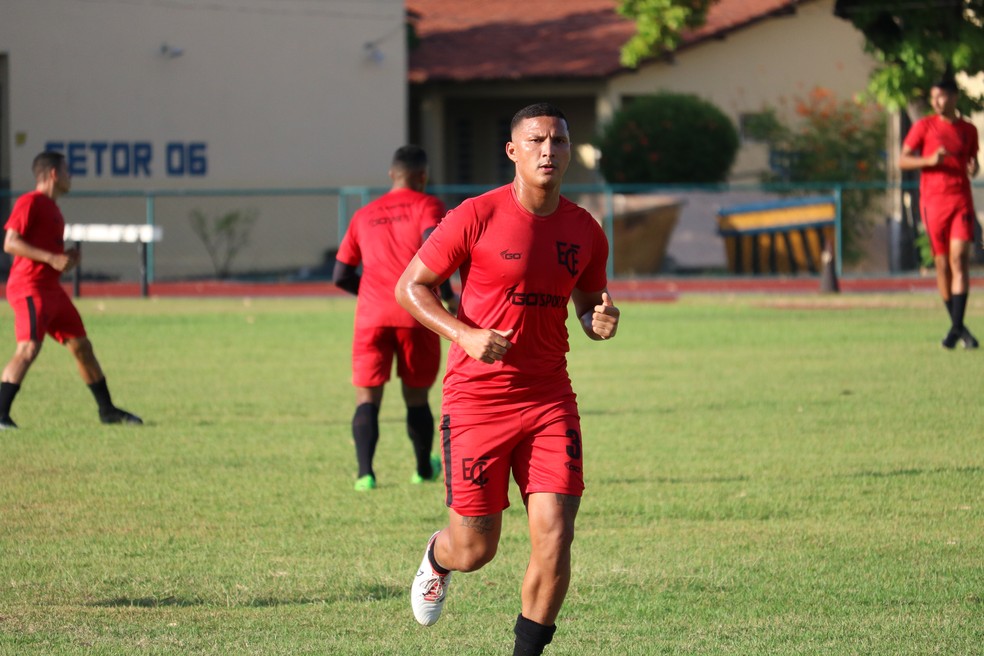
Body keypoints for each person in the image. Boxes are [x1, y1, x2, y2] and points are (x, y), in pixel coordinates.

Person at [396, 103, 619, 656]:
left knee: (556, 534)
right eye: (538, 140)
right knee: (475, 549)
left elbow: (590, 301)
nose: (550, 150)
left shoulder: (585, 228)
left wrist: (599, 319)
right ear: (513, 150)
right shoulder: (476, 214)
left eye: (560, 141)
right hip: (477, 400)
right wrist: (464, 335)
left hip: (549, 399)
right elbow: (412, 286)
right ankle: (438, 556)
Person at [333, 145, 456, 491]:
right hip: (415, 314)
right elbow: (436, 251)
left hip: (371, 317)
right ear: (423, 176)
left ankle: (365, 475)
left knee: (367, 398)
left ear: (391, 175)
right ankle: (421, 468)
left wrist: (373, 293)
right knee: (416, 397)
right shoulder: (427, 205)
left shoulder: (363, 214)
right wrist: (447, 296)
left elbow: (340, 274)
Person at [0, 151, 142, 428]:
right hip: (29, 287)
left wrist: (64, 259)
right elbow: (10, 243)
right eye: (67, 171)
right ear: (54, 174)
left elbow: (44, 254)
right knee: (29, 348)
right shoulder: (30, 202)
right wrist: (52, 258)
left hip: (52, 289)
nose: (70, 177)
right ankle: (1, 413)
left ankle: (107, 410)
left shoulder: (54, 209)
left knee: (81, 346)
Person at [900, 74, 981, 349]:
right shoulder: (924, 126)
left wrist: (974, 169)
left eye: (941, 96)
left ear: (954, 97)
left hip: (961, 200)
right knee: (943, 265)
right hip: (933, 203)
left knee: (960, 259)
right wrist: (929, 160)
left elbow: (973, 163)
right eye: (933, 96)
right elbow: (903, 159)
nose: (935, 101)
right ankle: (960, 330)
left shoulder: (969, 130)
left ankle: (956, 328)